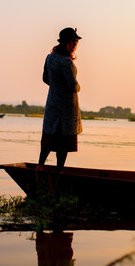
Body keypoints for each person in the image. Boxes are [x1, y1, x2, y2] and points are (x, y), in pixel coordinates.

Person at [37, 27, 82, 173]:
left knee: (49, 136)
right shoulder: (66, 62)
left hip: (52, 102)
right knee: (64, 139)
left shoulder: (50, 58)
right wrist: (78, 86)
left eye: (76, 42)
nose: (75, 44)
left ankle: (40, 165)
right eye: (73, 41)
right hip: (67, 107)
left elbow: (45, 78)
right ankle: (59, 171)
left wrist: (56, 87)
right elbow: (72, 85)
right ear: (66, 43)